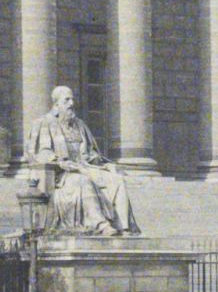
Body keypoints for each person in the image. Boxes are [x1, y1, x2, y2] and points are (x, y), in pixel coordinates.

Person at [26, 86, 139, 237]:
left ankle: (124, 228)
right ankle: (101, 225)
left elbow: (90, 153)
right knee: (83, 181)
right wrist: (60, 162)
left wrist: (104, 164)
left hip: (85, 167)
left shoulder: (80, 125)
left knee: (117, 180)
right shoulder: (44, 123)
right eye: (67, 100)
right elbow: (42, 152)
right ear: (56, 104)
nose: (71, 103)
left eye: (72, 99)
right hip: (63, 174)